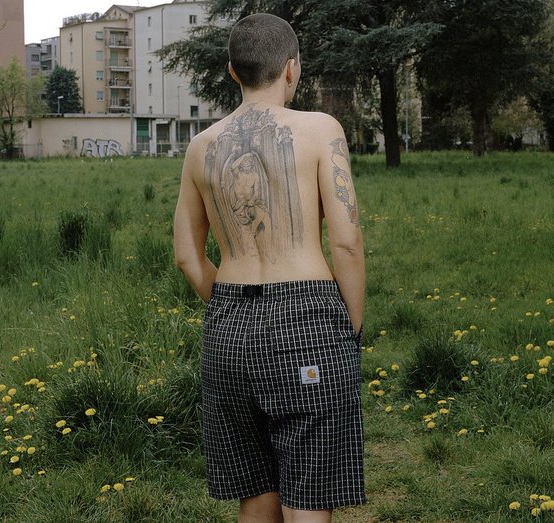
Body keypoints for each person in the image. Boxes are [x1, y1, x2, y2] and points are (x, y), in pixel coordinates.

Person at [174, 12, 366, 523]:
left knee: (255, 493)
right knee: (307, 492)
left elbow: (188, 257)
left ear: (233, 73)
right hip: (308, 316)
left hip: (228, 325)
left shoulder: (201, 148)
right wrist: (350, 326)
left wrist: (229, 308)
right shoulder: (321, 130)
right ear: (291, 69)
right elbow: (345, 242)